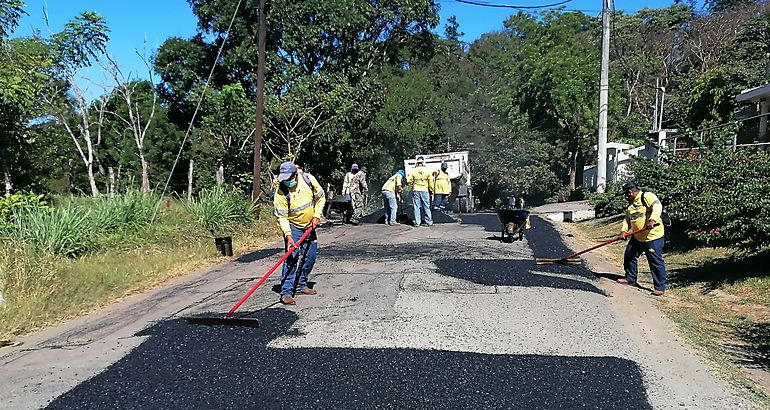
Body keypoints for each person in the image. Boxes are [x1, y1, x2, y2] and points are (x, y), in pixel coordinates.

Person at [273, 161, 326, 305]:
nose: (287, 182)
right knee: (291, 258)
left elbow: (321, 197)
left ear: (296, 175)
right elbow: (282, 217)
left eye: (289, 178)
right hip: (294, 227)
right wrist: (288, 236)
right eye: (284, 179)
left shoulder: (308, 180)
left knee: (310, 256)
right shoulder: (281, 192)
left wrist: (317, 215)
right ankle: (286, 292)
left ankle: (302, 284)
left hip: (309, 225)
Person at [617, 181, 668, 296]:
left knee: (655, 261)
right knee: (629, 255)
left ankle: (660, 287)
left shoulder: (647, 196)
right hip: (637, 236)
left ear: (630, 192)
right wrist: (624, 231)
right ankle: (630, 278)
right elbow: (627, 219)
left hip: (652, 237)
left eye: (626, 194)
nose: (626, 196)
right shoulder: (631, 205)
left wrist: (652, 219)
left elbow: (657, 206)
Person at [407, 156, 434, 227]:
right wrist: (431, 190)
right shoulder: (427, 170)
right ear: (423, 162)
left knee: (416, 206)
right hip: (424, 190)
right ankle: (428, 222)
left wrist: (413, 183)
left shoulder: (413, 170)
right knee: (426, 206)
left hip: (416, 189)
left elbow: (408, 181)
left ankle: (417, 222)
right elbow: (431, 181)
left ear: (417, 163)